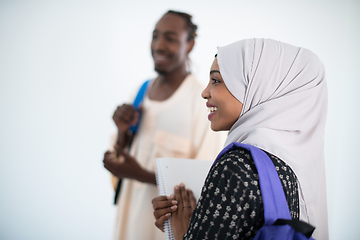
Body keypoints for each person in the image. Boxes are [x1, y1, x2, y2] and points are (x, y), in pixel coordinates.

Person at [152, 38, 328, 239]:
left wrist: (181, 229)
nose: (204, 92)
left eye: (216, 80)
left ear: (257, 85)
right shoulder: (290, 168)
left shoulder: (236, 165)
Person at [103, 10, 226, 240]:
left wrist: (140, 175)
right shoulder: (140, 92)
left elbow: (205, 184)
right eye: (155, 36)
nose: (158, 45)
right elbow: (120, 163)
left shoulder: (201, 102)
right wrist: (121, 133)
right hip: (128, 225)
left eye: (170, 38)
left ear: (189, 44)